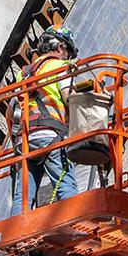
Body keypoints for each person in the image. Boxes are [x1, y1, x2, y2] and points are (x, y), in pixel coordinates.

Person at [15, 26, 80, 208]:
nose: (67, 58)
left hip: (26, 138)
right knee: (66, 186)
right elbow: (69, 98)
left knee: (23, 197)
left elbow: (13, 109)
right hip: (51, 134)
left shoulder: (23, 73)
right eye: (67, 53)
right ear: (60, 48)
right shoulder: (60, 66)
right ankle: (74, 225)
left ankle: (19, 233)